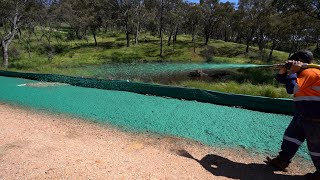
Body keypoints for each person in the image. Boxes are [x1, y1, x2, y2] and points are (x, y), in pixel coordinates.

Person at [265, 50, 320, 180]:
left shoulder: (310, 72)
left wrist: (293, 71)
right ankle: (282, 161)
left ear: (299, 61)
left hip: (316, 120)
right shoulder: (301, 73)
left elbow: (292, 88)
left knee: (316, 149)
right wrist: (284, 70)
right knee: (290, 138)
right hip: (302, 115)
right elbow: (282, 80)